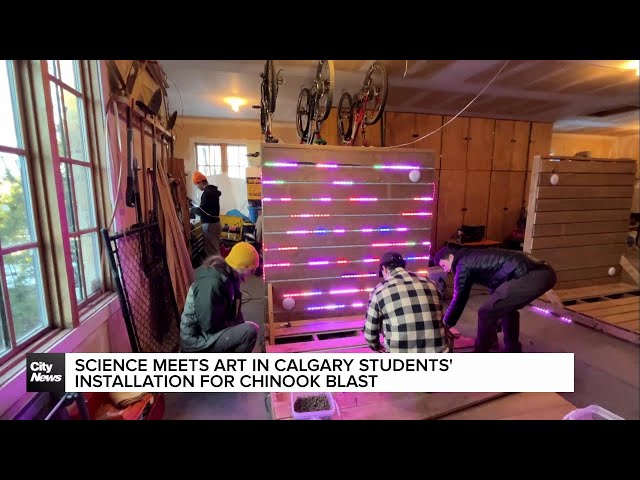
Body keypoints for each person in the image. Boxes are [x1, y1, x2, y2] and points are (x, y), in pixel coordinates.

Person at [433, 245, 557, 353]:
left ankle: (481, 353)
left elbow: (459, 297)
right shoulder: (470, 256)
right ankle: (511, 349)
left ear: (450, 257)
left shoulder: (462, 264)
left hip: (533, 275)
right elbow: (498, 280)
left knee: (485, 312)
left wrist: (446, 324)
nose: (446, 270)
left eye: (444, 265)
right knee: (504, 308)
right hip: (542, 272)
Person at [180, 242, 261, 353]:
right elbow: (207, 325)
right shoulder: (212, 284)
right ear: (242, 266)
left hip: (208, 331)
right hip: (196, 340)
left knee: (243, 328)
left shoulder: (230, 276)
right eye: (252, 269)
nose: (252, 273)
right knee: (250, 331)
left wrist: (237, 325)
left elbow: (235, 313)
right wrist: (233, 327)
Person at [363, 252, 451, 353]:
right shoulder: (431, 283)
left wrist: (377, 347)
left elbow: (370, 335)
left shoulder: (379, 291)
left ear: (384, 269)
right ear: (403, 266)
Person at [191, 171, 222, 257]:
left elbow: (202, 212)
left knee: (212, 253)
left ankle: (216, 269)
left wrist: (192, 210)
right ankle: (218, 268)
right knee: (215, 249)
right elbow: (207, 209)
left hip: (210, 226)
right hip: (216, 224)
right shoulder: (213, 191)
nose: (197, 187)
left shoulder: (207, 193)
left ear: (200, 182)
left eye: (196, 184)